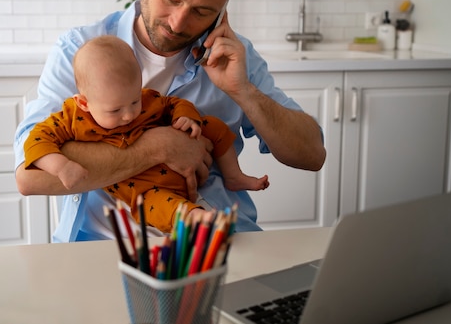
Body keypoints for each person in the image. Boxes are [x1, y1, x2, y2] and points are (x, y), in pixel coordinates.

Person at [14, 0, 326, 242]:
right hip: (103, 248)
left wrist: (243, 90)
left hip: (214, 242)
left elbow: (313, 155)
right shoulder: (79, 51)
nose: (178, 23)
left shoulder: (235, 58)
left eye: (202, 11)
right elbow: (30, 176)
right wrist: (159, 147)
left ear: (222, 8)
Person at [24, 35, 269, 232]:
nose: (129, 114)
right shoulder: (70, 119)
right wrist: (61, 167)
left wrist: (186, 118)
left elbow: (172, 103)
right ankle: (196, 219)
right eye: (115, 110)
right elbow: (36, 142)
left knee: (213, 125)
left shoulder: (145, 98)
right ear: (84, 103)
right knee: (154, 206)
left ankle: (234, 175)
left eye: (133, 102)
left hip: (190, 161)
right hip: (147, 188)